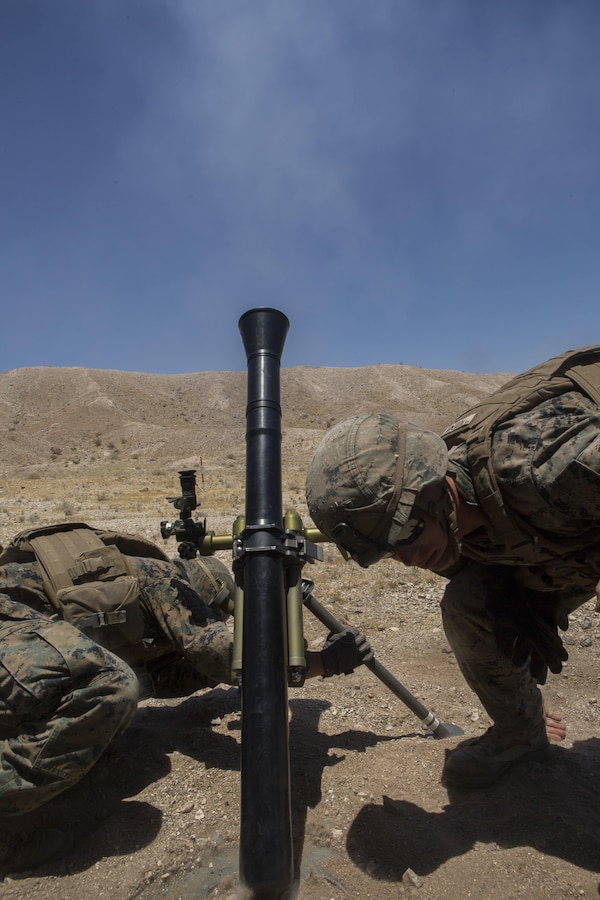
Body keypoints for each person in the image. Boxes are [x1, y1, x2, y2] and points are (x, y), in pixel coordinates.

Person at [305, 345, 600, 789]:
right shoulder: (447, 522)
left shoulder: (538, 464)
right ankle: (522, 731)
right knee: (466, 603)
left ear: (433, 491)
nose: (407, 558)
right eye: (388, 550)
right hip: (566, 532)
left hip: (574, 512)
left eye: (404, 533)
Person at [0, 522, 372, 873]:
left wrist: (213, 668)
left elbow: (181, 672)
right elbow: (227, 655)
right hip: (11, 641)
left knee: (150, 671)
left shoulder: (129, 579)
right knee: (113, 685)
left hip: (19, 643)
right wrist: (327, 661)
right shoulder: (166, 581)